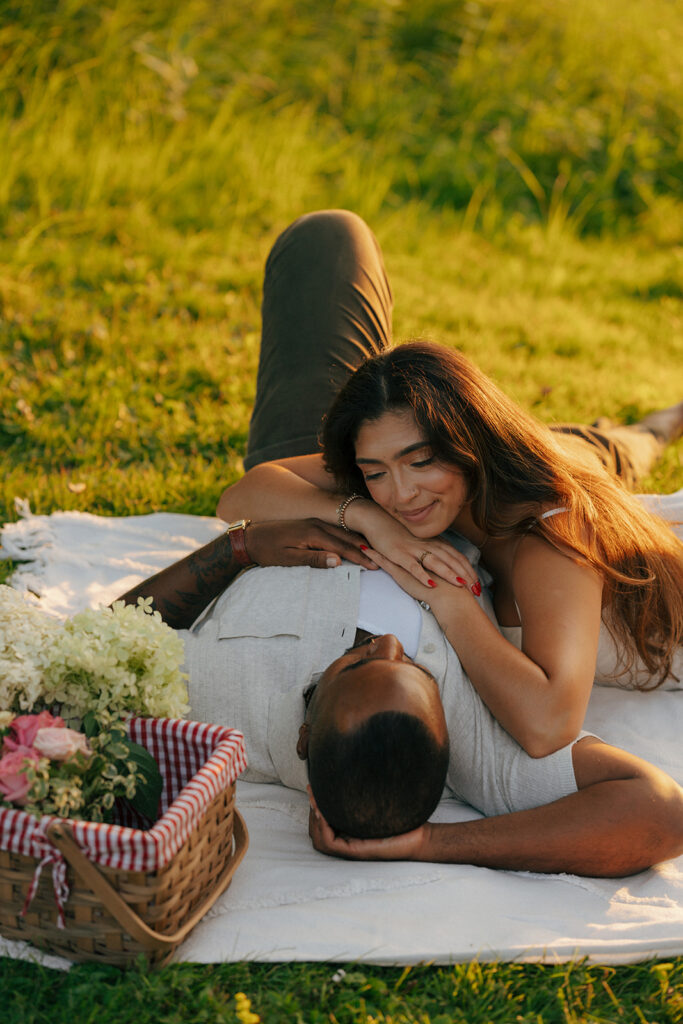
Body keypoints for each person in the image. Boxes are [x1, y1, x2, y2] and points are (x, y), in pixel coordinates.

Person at [218, 212, 683, 761]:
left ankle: (656, 426)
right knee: (567, 449)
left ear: (470, 444)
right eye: (374, 472)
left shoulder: (552, 539)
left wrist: (448, 600)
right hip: (540, 459)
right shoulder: (404, 482)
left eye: (421, 462)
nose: (400, 494)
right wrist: (369, 519)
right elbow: (239, 498)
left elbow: (548, 725)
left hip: (577, 487)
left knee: (598, 452)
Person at [117, 517, 683, 876]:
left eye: (360, 664)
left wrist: (238, 546)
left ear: (304, 735)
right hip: (455, 499)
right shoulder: (483, 753)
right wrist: (429, 843)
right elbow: (663, 815)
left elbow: (108, 638)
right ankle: (649, 430)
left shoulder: (212, 697)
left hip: (302, 493)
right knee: (592, 459)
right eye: (415, 670)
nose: (387, 642)